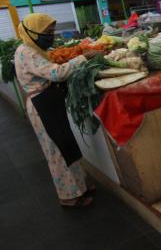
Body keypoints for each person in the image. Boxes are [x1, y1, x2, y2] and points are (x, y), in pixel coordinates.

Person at [15, 13, 102, 208]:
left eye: (52, 31)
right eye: (47, 32)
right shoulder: (26, 52)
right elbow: (56, 73)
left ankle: (79, 187)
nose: (51, 35)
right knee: (56, 150)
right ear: (33, 31)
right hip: (41, 105)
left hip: (48, 102)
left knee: (66, 144)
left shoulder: (33, 48)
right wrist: (83, 57)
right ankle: (69, 196)